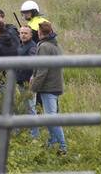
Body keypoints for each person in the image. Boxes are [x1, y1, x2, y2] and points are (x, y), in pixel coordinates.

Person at [31, 22, 67, 154]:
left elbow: (42, 70)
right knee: (51, 115)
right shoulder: (54, 44)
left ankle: (63, 147)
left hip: (49, 87)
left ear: (41, 33)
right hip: (54, 85)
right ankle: (52, 142)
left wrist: (34, 87)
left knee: (51, 117)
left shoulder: (45, 47)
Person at [16, 26, 40, 139]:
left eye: (26, 33)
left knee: (31, 108)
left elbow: (34, 64)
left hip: (28, 83)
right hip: (20, 82)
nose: (23, 35)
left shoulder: (32, 47)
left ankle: (34, 136)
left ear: (31, 35)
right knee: (24, 108)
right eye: (21, 33)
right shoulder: (21, 45)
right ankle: (25, 133)